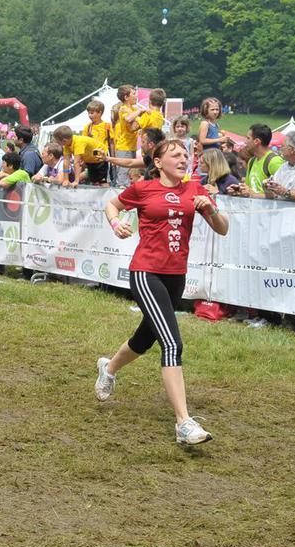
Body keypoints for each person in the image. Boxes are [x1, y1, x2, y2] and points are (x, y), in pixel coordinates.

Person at [97, 139, 229, 445]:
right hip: (146, 272)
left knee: (145, 338)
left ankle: (109, 368)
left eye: (185, 155)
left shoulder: (195, 189)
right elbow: (112, 204)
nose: (183, 159)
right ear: (158, 162)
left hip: (176, 277)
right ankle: (184, 422)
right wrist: (115, 223)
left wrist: (211, 210)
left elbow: (222, 228)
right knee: (171, 343)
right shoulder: (143, 189)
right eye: (175, 155)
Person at [228, 124, 283, 197]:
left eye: (248, 138)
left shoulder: (274, 161)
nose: (245, 142)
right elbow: (249, 188)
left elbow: (281, 194)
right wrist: (239, 191)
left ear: (256, 141)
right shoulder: (252, 161)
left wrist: (254, 194)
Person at [111, 84, 142, 187]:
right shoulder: (123, 108)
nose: (136, 96)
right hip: (124, 147)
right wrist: (140, 111)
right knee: (123, 176)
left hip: (131, 147)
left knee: (130, 174)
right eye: (134, 94)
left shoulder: (133, 109)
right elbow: (128, 119)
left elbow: (138, 123)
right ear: (126, 97)